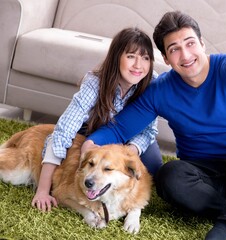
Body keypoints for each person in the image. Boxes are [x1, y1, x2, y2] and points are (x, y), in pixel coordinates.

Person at [81, 11, 226, 240]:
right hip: (200, 178)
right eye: (174, 49)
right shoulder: (161, 90)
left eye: (190, 43)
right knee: (169, 175)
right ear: (166, 58)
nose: (185, 55)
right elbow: (119, 128)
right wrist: (91, 142)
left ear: (202, 43)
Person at [31, 27, 163, 212]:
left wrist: (128, 153)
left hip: (132, 138)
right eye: (131, 56)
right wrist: (43, 190)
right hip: (94, 131)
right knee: (75, 156)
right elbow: (63, 131)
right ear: (117, 57)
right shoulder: (95, 82)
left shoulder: (152, 84)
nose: (138, 65)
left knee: (156, 171)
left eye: (145, 58)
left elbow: (149, 131)